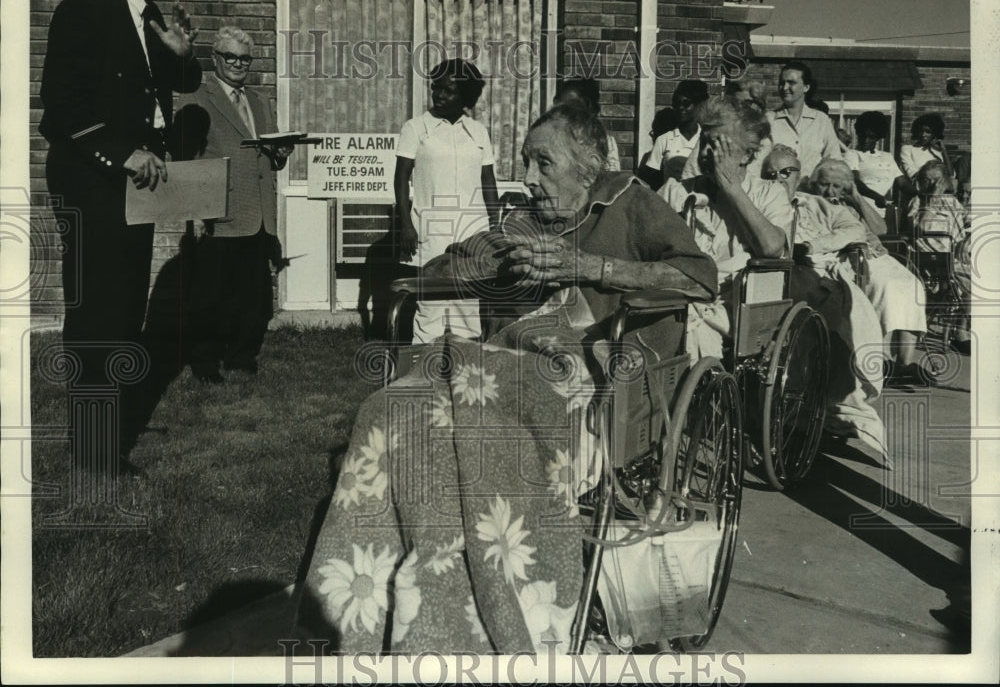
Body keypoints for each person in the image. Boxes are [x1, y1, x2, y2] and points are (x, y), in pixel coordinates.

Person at [297, 104, 716, 654]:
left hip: (592, 376)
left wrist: (589, 268)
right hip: (501, 366)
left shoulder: (630, 200)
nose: (528, 177)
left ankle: (472, 610)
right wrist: (449, 273)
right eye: (525, 162)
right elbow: (453, 265)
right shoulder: (524, 221)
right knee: (391, 407)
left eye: (544, 162)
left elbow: (698, 277)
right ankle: (358, 602)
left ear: (589, 165)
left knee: (484, 440)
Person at [39, 0, 201, 475]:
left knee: (124, 310)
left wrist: (181, 54)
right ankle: (91, 450)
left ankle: (106, 440)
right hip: (93, 183)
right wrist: (123, 153)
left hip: (133, 189)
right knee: (96, 313)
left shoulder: (147, 16)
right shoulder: (86, 8)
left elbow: (174, 86)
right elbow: (61, 110)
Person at [170, 26, 293, 382]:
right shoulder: (197, 98)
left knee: (253, 298)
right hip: (218, 214)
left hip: (259, 215)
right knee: (212, 295)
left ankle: (243, 358)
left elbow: (271, 158)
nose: (238, 64)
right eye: (230, 57)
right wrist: (198, 207)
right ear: (215, 59)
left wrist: (281, 153)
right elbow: (184, 157)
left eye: (244, 58)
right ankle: (205, 363)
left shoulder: (260, 101)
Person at [759, 148, 888, 461]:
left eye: (786, 172)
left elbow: (856, 229)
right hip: (768, 278)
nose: (778, 178)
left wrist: (812, 245)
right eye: (771, 173)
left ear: (799, 175)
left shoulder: (815, 203)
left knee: (834, 326)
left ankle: (823, 410)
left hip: (814, 273)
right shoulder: (758, 203)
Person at [658, 96, 791, 361]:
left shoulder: (769, 194)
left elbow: (772, 248)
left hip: (738, 307)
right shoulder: (677, 191)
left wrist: (731, 187)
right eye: (704, 142)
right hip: (677, 295)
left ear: (747, 153)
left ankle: (705, 396)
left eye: (718, 145)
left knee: (691, 329)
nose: (706, 153)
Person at [781, 153, 926, 383]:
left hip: (877, 255)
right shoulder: (811, 203)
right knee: (888, 289)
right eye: (824, 184)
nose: (830, 191)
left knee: (912, 285)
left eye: (837, 186)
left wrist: (857, 197)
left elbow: (881, 230)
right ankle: (878, 360)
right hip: (851, 258)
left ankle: (904, 362)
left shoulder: (850, 203)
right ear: (812, 183)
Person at [395, 58, 500, 343]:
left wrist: (495, 227)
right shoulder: (416, 128)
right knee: (430, 305)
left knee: (467, 303)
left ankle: (467, 371)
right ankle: (423, 371)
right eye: (436, 88)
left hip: (471, 231)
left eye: (449, 90)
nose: (439, 95)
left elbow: (488, 181)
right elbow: (401, 178)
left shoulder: (477, 131)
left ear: (465, 96)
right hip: (432, 228)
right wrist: (406, 223)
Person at [906, 161, 972, 354]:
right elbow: (921, 228)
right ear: (920, 182)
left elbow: (970, 221)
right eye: (928, 180)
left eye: (937, 180)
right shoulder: (917, 202)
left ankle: (959, 331)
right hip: (930, 260)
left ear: (944, 181)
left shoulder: (951, 202)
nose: (933, 185)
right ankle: (960, 335)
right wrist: (933, 200)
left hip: (955, 259)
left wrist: (968, 239)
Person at [758, 61, 843, 179]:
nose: (785, 88)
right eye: (782, 83)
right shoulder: (768, 119)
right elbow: (759, 162)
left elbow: (834, 162)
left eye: (791, 83)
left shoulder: (821, 120)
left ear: (806, 87)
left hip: (812, 194)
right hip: (777, 192)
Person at [636, 79, 708, 190]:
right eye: (677, 103)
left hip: (698, 201)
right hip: (670, 201)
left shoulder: (705, 139)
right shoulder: (664, 140)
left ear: (697, 106)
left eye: (686, 103)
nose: (680, 108)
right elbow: (650, 180)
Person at [552, 77, 621, 170]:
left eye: (571, 105)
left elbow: (611, 178)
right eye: (560, 104)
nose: (564, 111)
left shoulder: (604, 142)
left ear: (588, 107)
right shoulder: (551, 137)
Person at [843, 110, 902, 210]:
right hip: (861, 206)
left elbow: (901, 182)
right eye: (863, 136)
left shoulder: (887, 156)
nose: (866, 140)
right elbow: (854, 181)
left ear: (878, 137)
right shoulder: (852, 154)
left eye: (871, 137)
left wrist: (920, 193)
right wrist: (876, 197)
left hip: (882, 207)